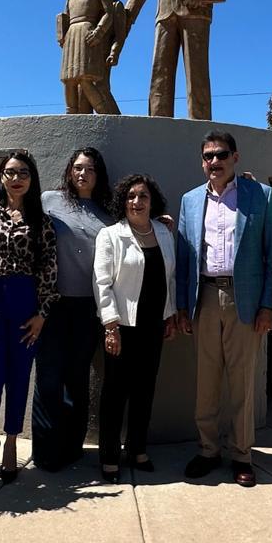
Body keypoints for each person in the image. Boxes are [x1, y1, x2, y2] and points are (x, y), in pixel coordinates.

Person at [176, 130, 272, 487]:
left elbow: (270, 256)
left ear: (235, 156)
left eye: (220, 154)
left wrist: (268, 305)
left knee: (242, 380)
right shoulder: (189, 200)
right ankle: (208, 450)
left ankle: (241, 454)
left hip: (243, 299)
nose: (214, 162)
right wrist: (183, 307)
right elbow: (185, 257)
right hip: (203, 297)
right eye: (207, 156)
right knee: (207, 379)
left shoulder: (260, 196)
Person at [0, 151, 58, 482]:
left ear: (32, 179)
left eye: (23, 172)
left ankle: (11, 441)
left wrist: (42, 314)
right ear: (1, 177)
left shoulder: (41, 221)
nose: (16, 178)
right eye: (10, 172)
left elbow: (49, 268)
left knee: (20, 375)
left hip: (25, 303)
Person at [31, 147, 114, 471]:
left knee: (77, 379)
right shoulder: (49, 200)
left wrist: (161, 219)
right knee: (49, 377)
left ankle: (72, 447)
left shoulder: (108, 213)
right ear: (69, 171)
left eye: (90, 169)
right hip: (50, 305)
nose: (83, 174)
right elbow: (16, 214)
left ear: (98, 175)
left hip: (87, 308)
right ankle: (46, 452)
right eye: (78, 167)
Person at [93, 173, 177, 482]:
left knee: (145, 390)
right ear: (122, 201)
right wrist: (110, 326)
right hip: (123, 326)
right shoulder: (111, 236)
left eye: (143, 196)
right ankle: (109, 456)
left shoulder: (164, 233)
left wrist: (169, 316)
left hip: (153, 326)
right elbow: (102, 283)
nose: (136, 201)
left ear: (152, 201)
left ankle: (138, 449)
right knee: (115, 393)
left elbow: (170, 278)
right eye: (130, 196)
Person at [57, 0, 121, 114]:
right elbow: (65, 15)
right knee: (69, 79)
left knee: (86, 79)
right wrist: (61, 35)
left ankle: (106, 115)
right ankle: (71, 115)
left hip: (88, 34)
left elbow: (109, 13)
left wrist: (99, 32)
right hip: (72, 35)